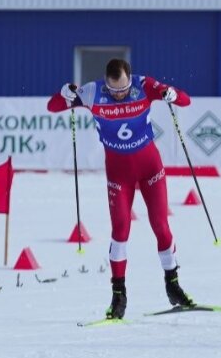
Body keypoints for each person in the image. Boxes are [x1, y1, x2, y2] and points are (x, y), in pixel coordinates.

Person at [46, 59, 194, 320]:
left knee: (161, 226)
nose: (119, 94)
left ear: (130, 79)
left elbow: (185, 100)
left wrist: (172, 94)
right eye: (114, 91)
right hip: (118, 173)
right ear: (106, 82)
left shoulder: (143, 85)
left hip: (150, 167)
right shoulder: (92, 92)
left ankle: (173, 285)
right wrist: (64, 93)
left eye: (124, 89)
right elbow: (53, 106)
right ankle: (118, 296)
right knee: (121, 230)